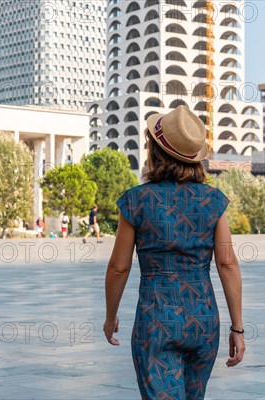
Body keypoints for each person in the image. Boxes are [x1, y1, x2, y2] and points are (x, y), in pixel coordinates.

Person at [103, 105, 245, 399]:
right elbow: (227, 264)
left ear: (154, 151)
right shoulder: (213, 200)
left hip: (156, 321)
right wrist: (238, 328)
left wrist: (110, 316)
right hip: (203, 321)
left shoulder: (136, 201)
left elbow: (119, 267)